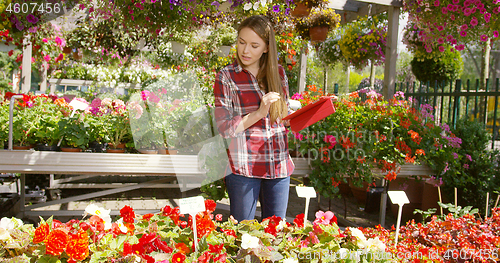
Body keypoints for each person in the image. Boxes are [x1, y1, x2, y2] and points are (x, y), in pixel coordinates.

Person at [213, 15, 294, 222]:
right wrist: (259, 113)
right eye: (241, 42)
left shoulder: (278, 73)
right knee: (243, 236)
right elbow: (224, 128)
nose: (245, 51)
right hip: (243, 167)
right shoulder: (226, 76)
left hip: (278, 164)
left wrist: (302, 116)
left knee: (275, 236)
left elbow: (282, 119)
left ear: (267, 47)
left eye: (254, 45)